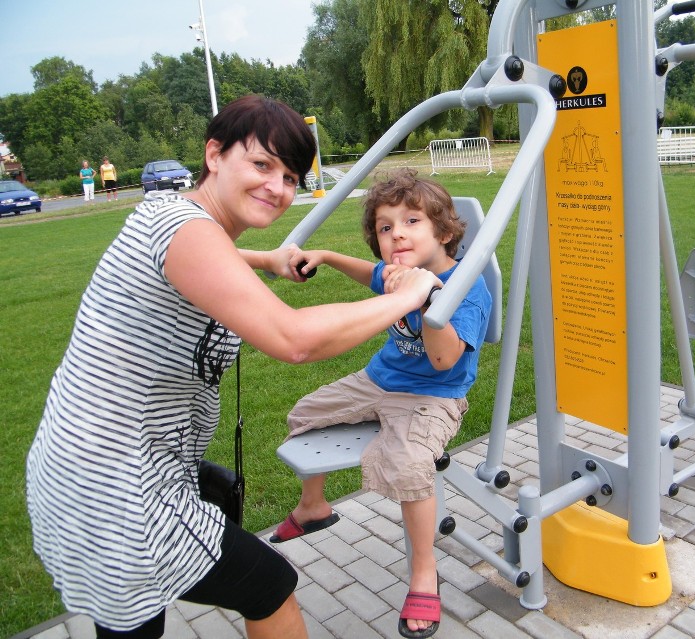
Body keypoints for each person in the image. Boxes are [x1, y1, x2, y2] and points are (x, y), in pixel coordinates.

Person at [26, 96, 441, 639]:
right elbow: (294, 340)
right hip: (119, 486)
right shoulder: (185, 229)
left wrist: (267, 259)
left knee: (134, 616)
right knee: (266, 586)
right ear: (214, 154)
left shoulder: (171, 219)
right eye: (262, 165)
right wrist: (408, 295)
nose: (278, 186)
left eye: (290, 176)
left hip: (83, 471)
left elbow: (211, 258)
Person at [272, 168, 492, 639]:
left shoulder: (467, 289)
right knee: (305, 413)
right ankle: (313, 506)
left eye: (411, 221)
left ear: (445, 232)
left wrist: (424, 300)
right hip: (379, 380)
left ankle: (424, 572)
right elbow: (369, 272)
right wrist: (327, 256)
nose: (396, 234)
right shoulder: (397, 274)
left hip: (433, 395)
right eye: (385, 227)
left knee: (412, 464)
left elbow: (442, 361)